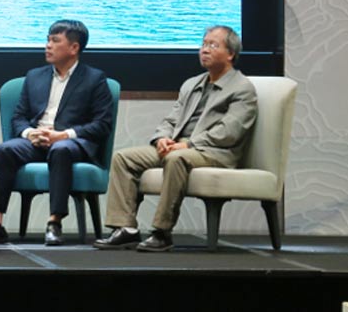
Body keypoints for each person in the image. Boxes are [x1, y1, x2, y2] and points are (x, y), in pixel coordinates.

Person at [94, 26, 256, 252]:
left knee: (176, 158)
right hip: (179, 146)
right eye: (203, 44)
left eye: (213, 45)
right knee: (124, 158)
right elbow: (171, 119)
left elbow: (230, 131)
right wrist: (162, 138)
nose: (205, 50)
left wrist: (188, 144)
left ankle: (162, 232)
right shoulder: (193, 83)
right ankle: (125, 229)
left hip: (215, 153)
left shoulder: (242, 88)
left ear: (230, 54)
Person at [0, 19, 114, 246]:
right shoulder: (35, 76)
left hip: (71, 143)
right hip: (36, 140)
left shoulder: (95, 79)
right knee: (4, 150)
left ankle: (54, 222)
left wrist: (64, 134)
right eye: (47, 40)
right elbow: (18, 117)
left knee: (60, 149)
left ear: (74, 48)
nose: (48, 45)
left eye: (55, 41)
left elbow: (102, 124)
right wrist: (29, 133)